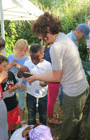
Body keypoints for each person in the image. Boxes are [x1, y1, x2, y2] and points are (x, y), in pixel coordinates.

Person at [25, 12, 90, 140]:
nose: (39, 38)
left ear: (47, 30)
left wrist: (36, 77)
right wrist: (36, 76)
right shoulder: (64, 38)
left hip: (73, 93)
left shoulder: (56, 47)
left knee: (70, 126)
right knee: (76, 120)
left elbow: (56, 77)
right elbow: (57, 73)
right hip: (82, 86)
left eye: (40, 34)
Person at [18, 44, 52, 125]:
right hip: (30, 94)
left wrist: (45, 82)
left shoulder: (47, 65)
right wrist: (21, 70)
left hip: (43, 95)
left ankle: (43, 131)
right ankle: (32, 131)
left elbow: (50, 77)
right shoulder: (27, 62)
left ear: (43, 55)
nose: (34, 61)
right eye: (32, 58)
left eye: (37, 58)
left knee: (43, 115)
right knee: (31, 115)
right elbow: (19, 75)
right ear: (30, 55)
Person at [0, 55, 25, 135]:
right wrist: (13, 89)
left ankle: (12, 131)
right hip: (6, 106)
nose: (7, 67)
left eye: (7, 64)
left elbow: (15, 83)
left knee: (14, 121)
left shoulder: (10, 74)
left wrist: (20, 85)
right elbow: (1, 94)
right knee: (7, 124)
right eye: (4, 66)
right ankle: (8, 133)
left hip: (14, 102)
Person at [58, 23, 90, 105]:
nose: (83, 38)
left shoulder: (76, 40)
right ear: (78, 32)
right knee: (63, 87)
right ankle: (62, 104)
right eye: (83, 36)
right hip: (64, 68)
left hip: (71, 68)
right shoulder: (67, 40)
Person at [7, 39, 29, 125]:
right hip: (11, 85)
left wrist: (20, 68)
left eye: (25, 51)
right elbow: (4, 70)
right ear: (16, 48)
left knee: (21, 101)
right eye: (21, 50)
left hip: (22, 84)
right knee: (11, 101)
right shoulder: (9, 57)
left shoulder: (26, 59)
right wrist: (9, 66)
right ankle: (12, 119)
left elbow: (28, 73)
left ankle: (22, 120)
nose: (23, 53)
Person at [43, 43, 61, 124]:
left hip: (47, 77)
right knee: (51, 100)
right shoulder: (54, 51)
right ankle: (50, 118)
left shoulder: (45, 50)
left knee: (49, 98)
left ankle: (49, 113)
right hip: (54, 79)